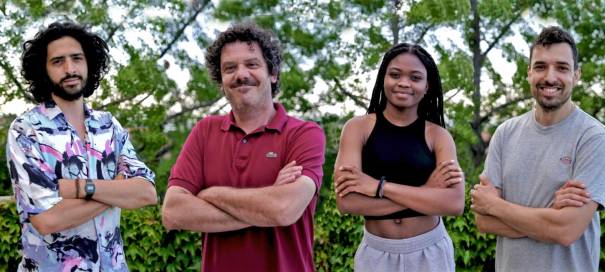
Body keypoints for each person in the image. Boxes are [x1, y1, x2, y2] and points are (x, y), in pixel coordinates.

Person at [161, 22, 325, 271]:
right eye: (230, 68)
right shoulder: (205, 131)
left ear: (272, 73)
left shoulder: (304, 134)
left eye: (252, 64)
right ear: (221, 80)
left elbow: (283, 209)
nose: (241, 74)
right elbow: (173, 213)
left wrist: (209, 194)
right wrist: (267, 201)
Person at [6, 21, 157, 271]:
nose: (70, 68)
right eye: (58, 61)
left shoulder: (109, 126)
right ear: (43, 70)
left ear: (89, 64)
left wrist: (77, 188)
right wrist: (117, 192)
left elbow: (147, 192)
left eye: (77, 58)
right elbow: (47, 219)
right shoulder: (26, 131)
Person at [470, 26, 605, 271]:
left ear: (576, 75)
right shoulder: (505, 133)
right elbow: (484, 221)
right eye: (540, 67)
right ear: (529, 73)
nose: (550, 77)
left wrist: (496, 206)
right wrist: (550, 216)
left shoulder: (593, 136)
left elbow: (566, 230)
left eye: (562, 67)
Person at [334, 43, 464, 271]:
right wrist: (426, 194)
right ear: (383, 78)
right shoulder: (357, 129)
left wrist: (377, 187)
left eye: (415, 77)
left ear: (426, 86)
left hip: (429, 253)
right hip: (376, 254)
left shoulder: (438, 136)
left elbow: (453, 203)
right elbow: (347, 202)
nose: (404, 83)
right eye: (395, 75)